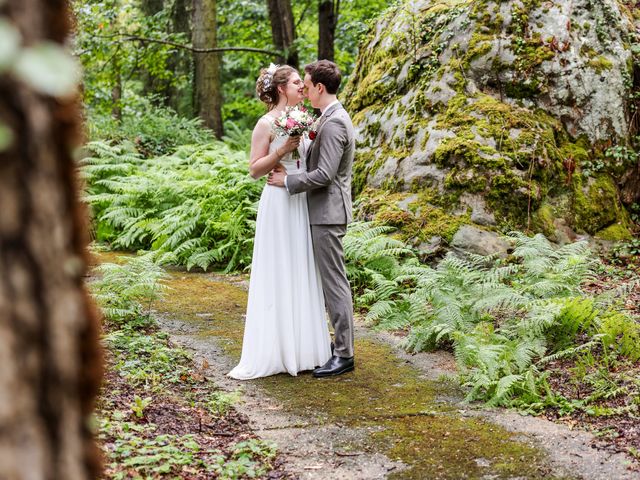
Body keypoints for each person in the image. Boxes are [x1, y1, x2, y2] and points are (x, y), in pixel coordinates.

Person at [227, 64, 332, 380]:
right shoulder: (265, 124)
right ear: (282, 88)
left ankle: (304, 349)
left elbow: (305, 162)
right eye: (298, 82)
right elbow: (255, 169)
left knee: (301, 267)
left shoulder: (303, 118)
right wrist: (282, 150)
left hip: (298, 199)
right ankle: (276, 349)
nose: (303, 86)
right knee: (279, 269)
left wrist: (296, 166)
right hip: (276, 201)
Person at [268, 60, 356, 378]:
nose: (303, 89)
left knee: (334, 283)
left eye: (306, 84)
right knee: (328, 282)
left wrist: (288, 182)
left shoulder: (334, 123)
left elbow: (324, 175)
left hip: (328, 213)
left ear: (320, 88)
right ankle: (337, 345)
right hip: (320, 211)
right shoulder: (325, 117)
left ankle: (344, 353)